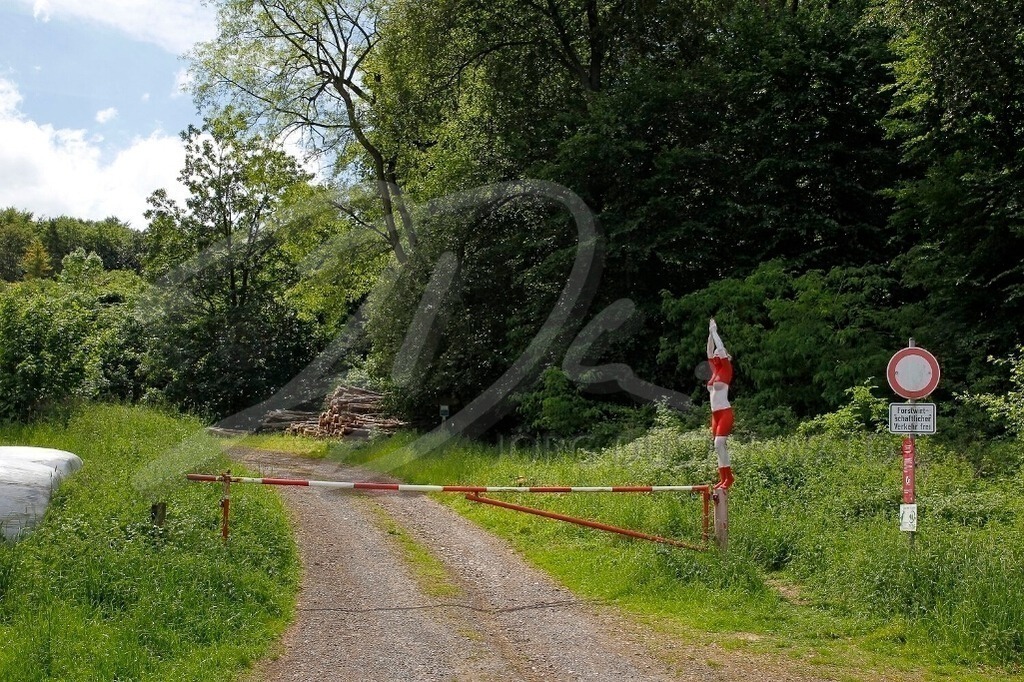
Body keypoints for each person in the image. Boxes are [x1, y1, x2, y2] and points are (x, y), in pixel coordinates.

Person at [707, 318, 734, 490]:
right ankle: (722, 477)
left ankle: (729, 477)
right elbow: (709, 350)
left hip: (724, 412)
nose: (716, 353)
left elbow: (719, 347)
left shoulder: (726, 369)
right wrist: (709, 332)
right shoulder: (715, 370)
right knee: (717, 447)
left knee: (719, 444)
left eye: (719, 353)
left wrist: (715, 332)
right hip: (715, 414)